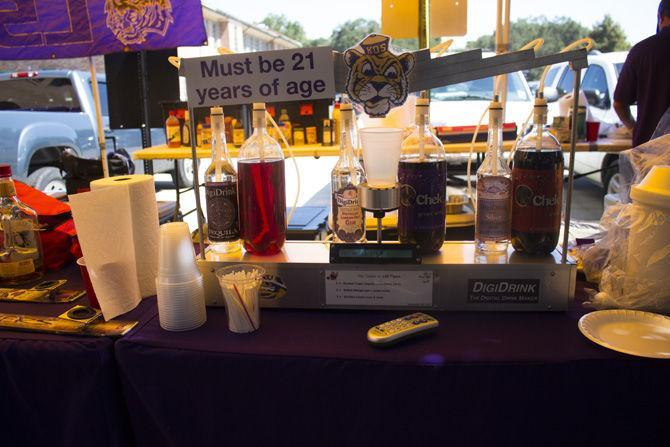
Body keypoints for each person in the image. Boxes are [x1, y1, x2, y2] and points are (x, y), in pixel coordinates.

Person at [613, 0, 670, 147]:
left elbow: (619, 103)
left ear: (661, 17)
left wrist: (633, 127)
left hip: (649, 152)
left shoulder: (641, 51)